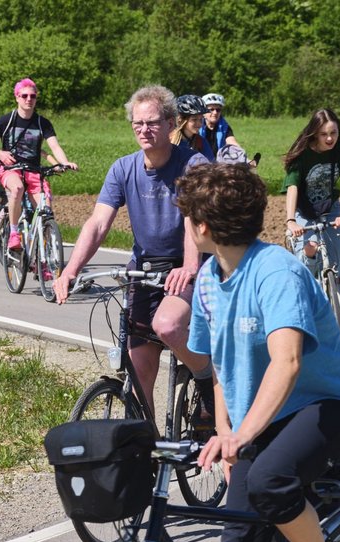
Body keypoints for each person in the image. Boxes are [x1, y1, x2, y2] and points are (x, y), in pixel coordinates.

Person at [178, 161, 340, 542]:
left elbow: (286, 364)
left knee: (270, 479)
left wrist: (242, 436)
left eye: (187, 218)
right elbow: (219, 364)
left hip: (326, 406)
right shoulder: (207, 282)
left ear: (203, 226)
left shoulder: (276, 271)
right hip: (258, 420)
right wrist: (224, 434)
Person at [53, 85, 213, 422]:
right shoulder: (123, 169)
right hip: (145, 269)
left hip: (187, 266)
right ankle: (148, 454)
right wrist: (70, 269)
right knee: (139, 377)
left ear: (171, 123)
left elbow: (193, 220)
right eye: (137, 124)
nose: (144, 130)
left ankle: (206, 375)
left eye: (153, 122)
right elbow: (98, 223)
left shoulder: (193, 164)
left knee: (167, 326)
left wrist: (189, 266)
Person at [0, 78, 76, 252]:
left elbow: (54, 146)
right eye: (24, 95)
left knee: (45, 210)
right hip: (10, 169)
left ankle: (43, 257)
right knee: (17, 189)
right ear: (17, 97)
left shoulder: (42, 123)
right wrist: (0, 154)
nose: (28, 99)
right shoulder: (7, 120)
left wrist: (64, 162)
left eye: (33, 96)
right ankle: (14, 234)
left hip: (33, 171)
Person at [282, 108, 340, 312]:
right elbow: (293, 187)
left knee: (338, 266)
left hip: (330, 207)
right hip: (304, 210)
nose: (330, 138)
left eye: (334, 133)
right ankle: (302, 312)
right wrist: (291, 221)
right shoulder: (302, 152)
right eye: (324, 134)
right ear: (315, 133)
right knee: (307, 254)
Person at [171, 94, 214, 161]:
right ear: (181, 120)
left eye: (201, 119)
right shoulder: (169, 141)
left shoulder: (201, 142)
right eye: (194, 119)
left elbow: (211, 166)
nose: (199, 124)